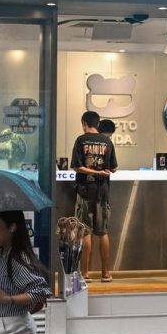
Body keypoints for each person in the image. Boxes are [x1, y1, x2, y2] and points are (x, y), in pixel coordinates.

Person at [70, 110, 118, 282]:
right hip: (102, 192)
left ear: (84, 123)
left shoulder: (81, 140)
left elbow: (77, 167)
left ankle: (85, 274)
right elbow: (113, 168)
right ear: (97, 124)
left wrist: (92, 172)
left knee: (85, 232)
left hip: (84, 192)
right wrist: (101, 172)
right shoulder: (107, 142)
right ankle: (106, 273)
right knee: (103, 232)